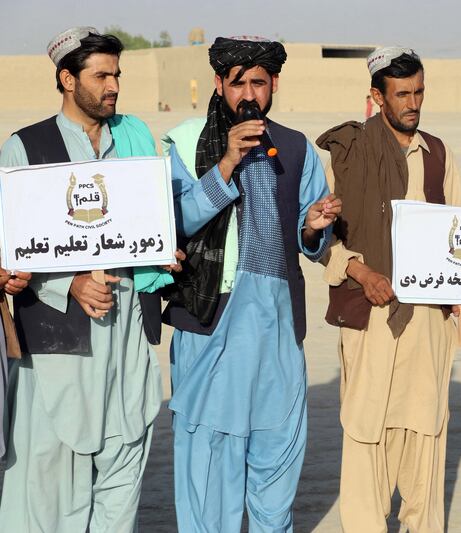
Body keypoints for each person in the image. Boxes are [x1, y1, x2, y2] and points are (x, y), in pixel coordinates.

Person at [162, 35, 339, 532]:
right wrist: (226, 164)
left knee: (275, 467)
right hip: (211, 326)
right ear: (218, 84)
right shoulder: (185, 141)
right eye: (237, 82)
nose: (248, 94)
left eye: (258, 83)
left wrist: (313, 227)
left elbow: (312, 238)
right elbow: (170, 224)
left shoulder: (298, 148)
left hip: (277, 330)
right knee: (209, 466)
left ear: (274, 85)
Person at [0, 27, 167, 532]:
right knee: (48, 495)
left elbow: (154, 223)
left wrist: (165, 248)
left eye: (117, 74)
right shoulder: (24, 148)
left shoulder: (133, 146)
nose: (113, 85)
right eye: (102, 75)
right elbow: (8, 250)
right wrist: (66, 282)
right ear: (67, 79)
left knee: (121, 485)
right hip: (57, 353)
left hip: (128, 344)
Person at [316, 46, 461, 532]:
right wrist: (363, 273)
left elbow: (458, 236)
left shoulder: (439, 154)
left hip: (426, 322)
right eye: (402, 94)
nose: (413, 103)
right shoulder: (345, 152)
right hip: (369, 317)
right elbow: (320, 241)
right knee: (366, 434)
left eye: (419, 92)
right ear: (377, 96)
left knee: (425, 435)